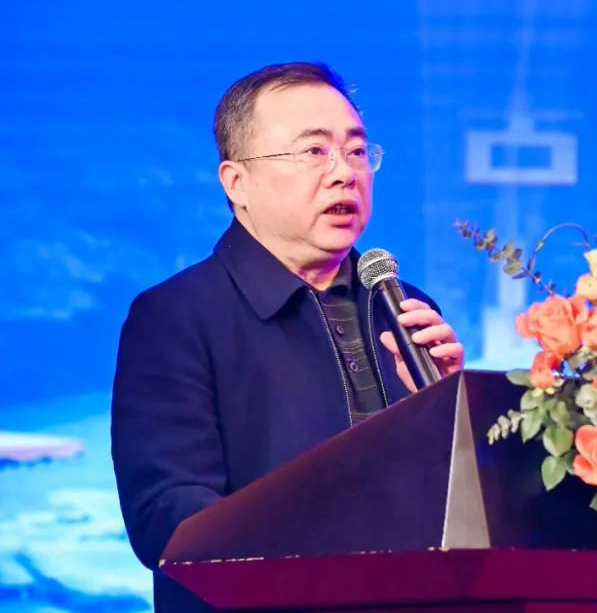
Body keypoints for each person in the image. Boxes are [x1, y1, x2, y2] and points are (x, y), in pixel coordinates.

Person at [110, 62, 464, 613]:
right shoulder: (175, 317)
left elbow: (456, 511)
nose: (344, 172)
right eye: (313, 151)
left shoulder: (405, 311)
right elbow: (168, 518)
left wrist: (451, 413)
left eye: (356, 151)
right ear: (237, 182)